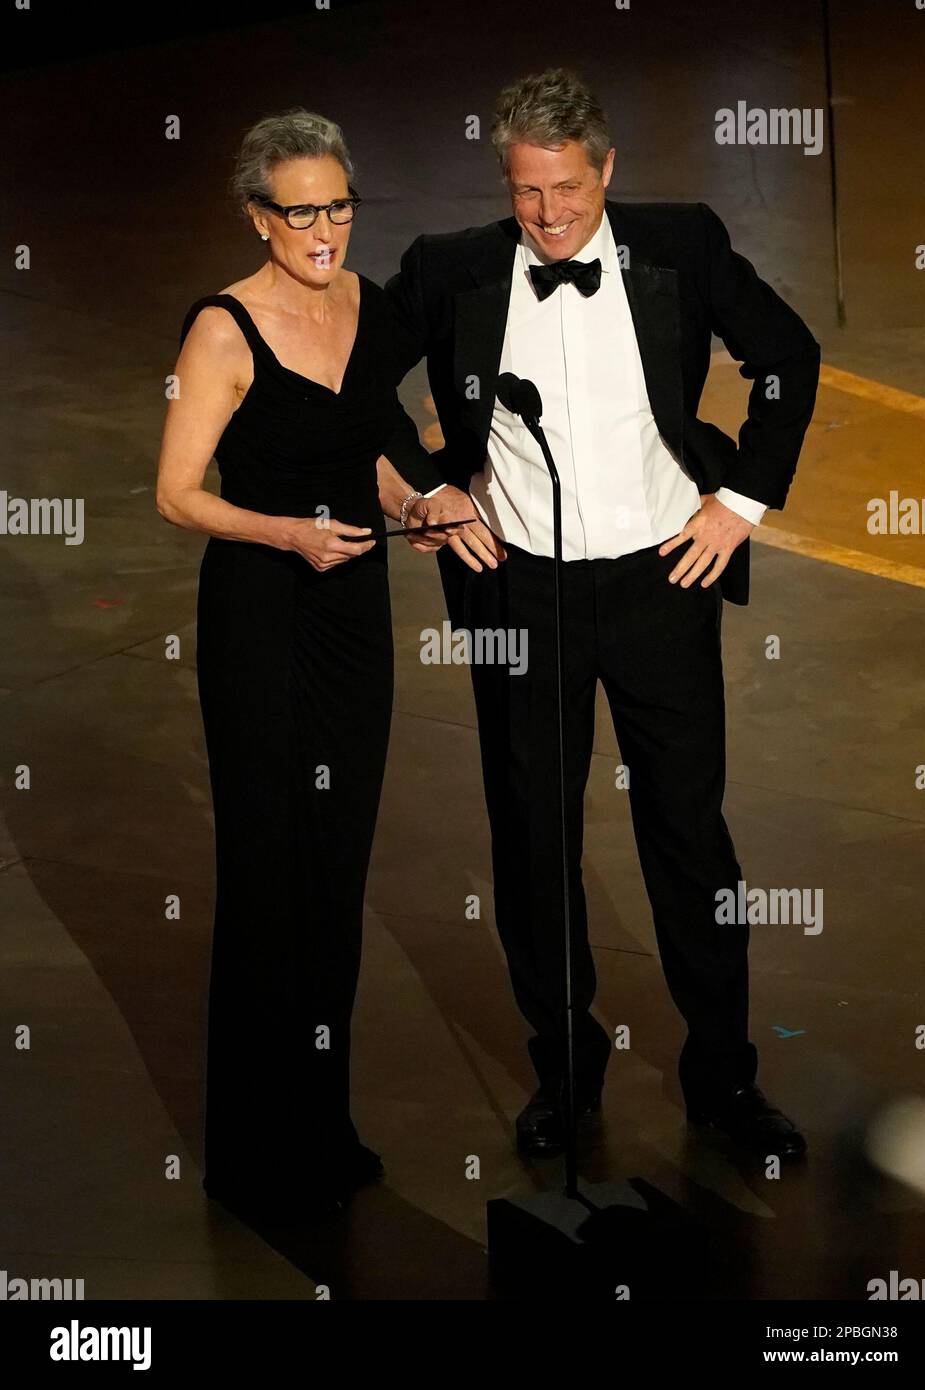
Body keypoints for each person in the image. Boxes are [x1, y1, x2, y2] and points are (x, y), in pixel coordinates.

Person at [382, 68, 821, 1161]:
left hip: (664, 577)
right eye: (528, 193)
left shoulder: (684, 246)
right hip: (517, 586)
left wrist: (741, 503)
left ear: (608, 169)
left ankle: (724, 1079)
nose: (549, 216)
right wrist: (421, 491)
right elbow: (349, 390)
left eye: (569, 190)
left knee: (690, 835)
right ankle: (565, 1072)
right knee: (534, 837)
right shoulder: (453, 270)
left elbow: (787, 357)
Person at [155, 108, 444, 1223]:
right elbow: (178, 493)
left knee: (337, 867)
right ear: (257, 217)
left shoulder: (365, 304)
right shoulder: (223, 330)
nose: (325, 228)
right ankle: (252, 1143)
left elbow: (363, 444)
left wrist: (419, 498)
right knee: (268, 870)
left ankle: (322, 1117)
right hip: (263, 611)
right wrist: (286, 532)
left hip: (352, 614)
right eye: (302, 210)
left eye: (339, 205)